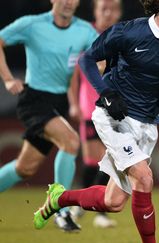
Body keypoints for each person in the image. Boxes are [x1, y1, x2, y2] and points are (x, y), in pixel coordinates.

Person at [33, 0, 159, 242]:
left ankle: (58, 199)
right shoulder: (129, 32)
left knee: (112, 202)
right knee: (144, 179)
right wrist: (106, 93)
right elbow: (87, 60)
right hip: (113, 117)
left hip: (147, 122)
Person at [0, 0, 98, 232]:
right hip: (33, 99)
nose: (68, 2)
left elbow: (101, 57)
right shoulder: (32, 24)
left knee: (25, 168)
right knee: (71, 142)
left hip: (59, 103)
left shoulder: (85, 30)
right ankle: (61, 212)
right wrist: (7, 78)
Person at [68, 0, 122, 228]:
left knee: (114, 160)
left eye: (113, 9)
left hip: (117, 107)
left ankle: (98, 211)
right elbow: (72, 74)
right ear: (96, 10)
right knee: (92, 161)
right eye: (104, 8)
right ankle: (80, 205)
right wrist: (73, 104)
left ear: (119, 12)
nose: (108, 13)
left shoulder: (124, 35)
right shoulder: (84, 34)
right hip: (90, 105)